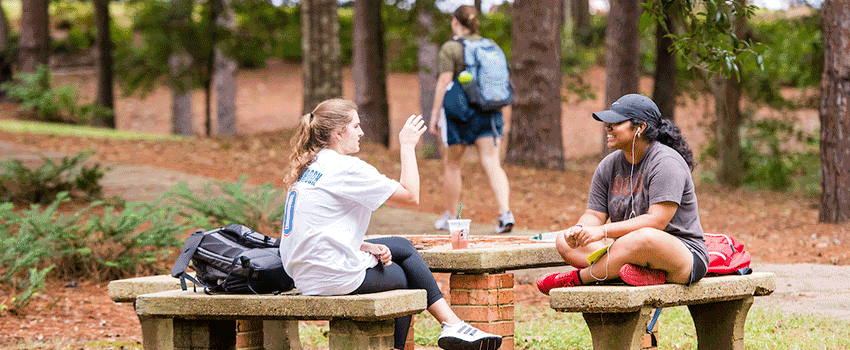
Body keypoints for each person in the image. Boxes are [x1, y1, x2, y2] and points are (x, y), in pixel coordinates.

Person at [280, 99, 502, 350]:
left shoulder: (312, 165)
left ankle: (452, 324)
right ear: (338, 133)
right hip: (331, 275)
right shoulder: (345, 168)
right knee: (402, 277)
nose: (361, 132)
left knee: (402, 246)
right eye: (356, 126)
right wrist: (407, 147)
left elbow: (315, 228)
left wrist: (362, 246)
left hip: (306, 274)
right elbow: (410, 196)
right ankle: (439, 329)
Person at [536, 94, 709, 294]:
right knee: (562, 241)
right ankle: (634, 272)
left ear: (640, 128)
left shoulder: (666, 163)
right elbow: (594, 215)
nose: (607, 127)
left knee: (644, 237)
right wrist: (580, 230)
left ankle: (579, 278)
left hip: (682, 255)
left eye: (615, 122)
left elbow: (656, 222)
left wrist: (603, 232)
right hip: (627, 249)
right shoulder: (608, 165)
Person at [428, 5, 514, 234]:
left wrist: (435, 114)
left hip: (460, 114)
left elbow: (444, 81)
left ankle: (452, 217)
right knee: (492, 162)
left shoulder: (452, 47)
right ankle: (505, 213)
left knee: (453, 164)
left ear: (456, 23)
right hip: (489, 111)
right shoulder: (491, 46)